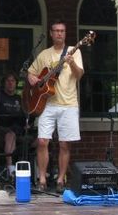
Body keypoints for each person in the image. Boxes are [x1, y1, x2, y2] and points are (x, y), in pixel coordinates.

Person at [27, 19, 84, 193]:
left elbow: (79, 74)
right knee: (43, 141)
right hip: (47, 104)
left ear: (65, 34)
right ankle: (42, 179)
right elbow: (31, 72)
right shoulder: (44, 54)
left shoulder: (75, 51)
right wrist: (34, 80)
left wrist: (71, 62)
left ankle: (60, 180)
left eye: (62, 31)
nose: (59, 33)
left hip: (69, 104)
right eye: (56, 30)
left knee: (65, 144)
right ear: (51, 33)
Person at [0, 72, 26, 178]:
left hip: (18, 129)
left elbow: (24, 114)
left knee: (41, 139)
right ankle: (10, 169)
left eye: (13, 81)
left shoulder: (18, 98)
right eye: (8, 81)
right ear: (4, 83)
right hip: (2, 129)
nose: (10, 83)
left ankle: (38, 172)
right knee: (10, 135)